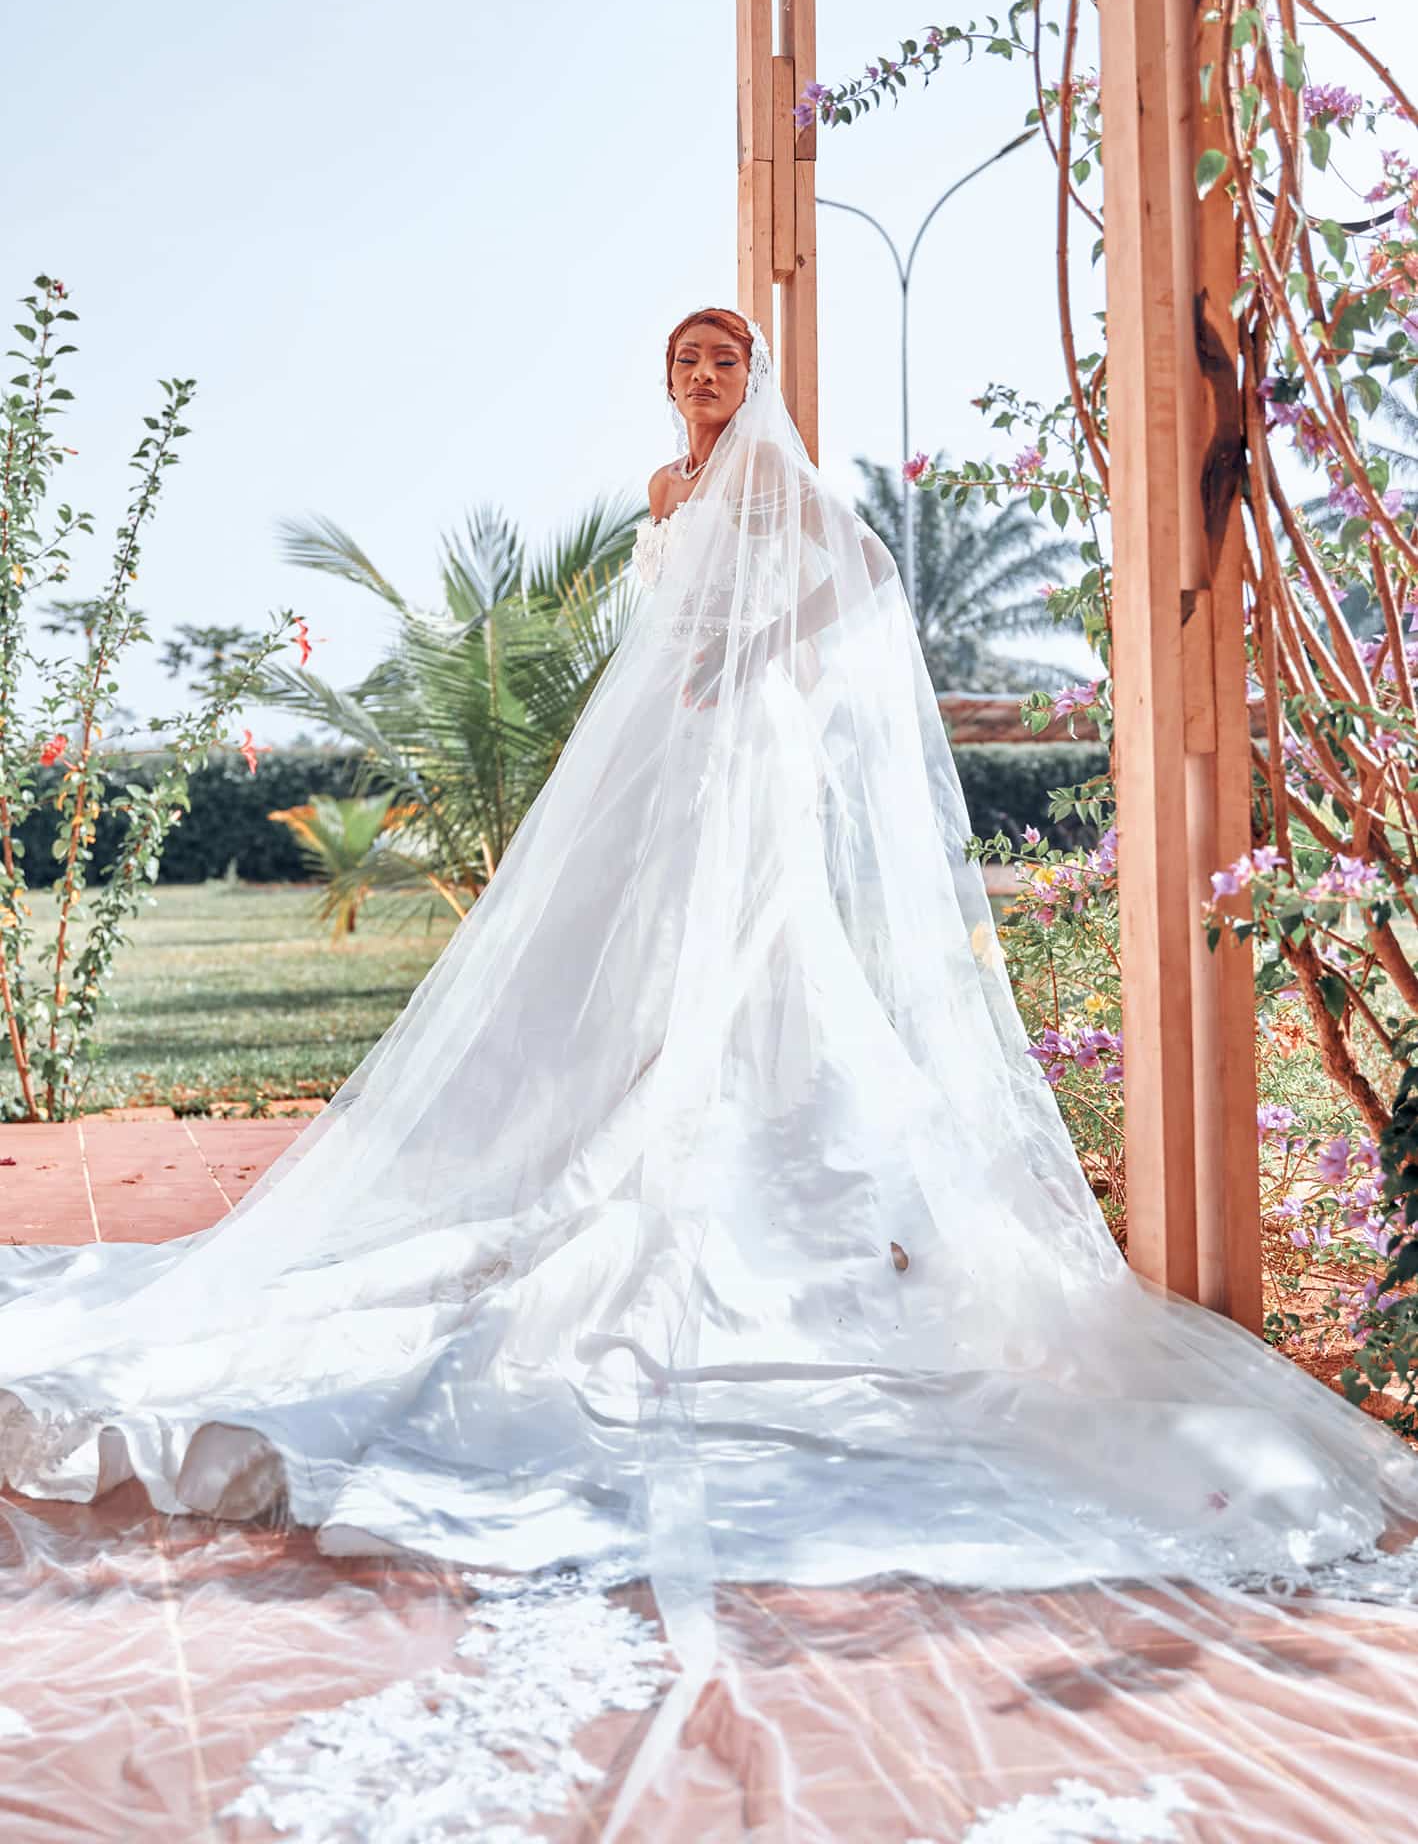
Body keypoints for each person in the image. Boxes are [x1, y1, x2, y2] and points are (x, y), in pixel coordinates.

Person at [3, 309, 1418, 1838]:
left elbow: (860, 578)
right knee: (649, 968)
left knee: (760, 964)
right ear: (663, 380)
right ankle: (644, 1127)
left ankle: (754, 1173)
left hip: (755, 752)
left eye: (724, 360)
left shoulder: (774, 483)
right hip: (671, 766)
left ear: (753, 381)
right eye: (686, 360)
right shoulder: (666, 492)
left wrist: (753, 652)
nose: (703, 378)